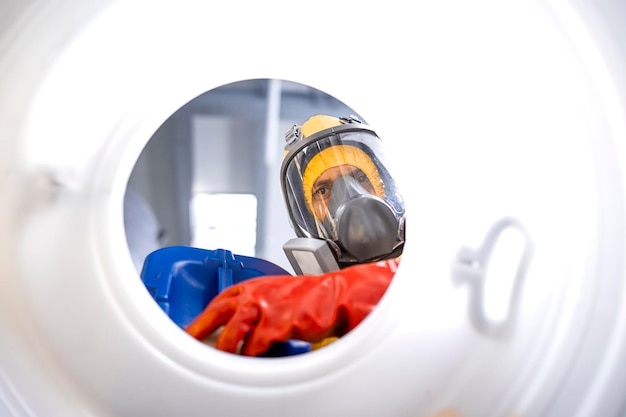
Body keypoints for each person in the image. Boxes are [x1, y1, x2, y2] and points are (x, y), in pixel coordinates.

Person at [184, 114, 406, 356]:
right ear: (308, 216)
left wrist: (331, 298)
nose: (350, 196)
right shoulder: (307, 326)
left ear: (383, 185)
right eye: (323, 189)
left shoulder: (432, 261)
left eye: (360, 177)